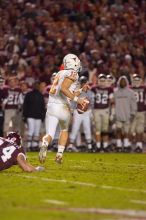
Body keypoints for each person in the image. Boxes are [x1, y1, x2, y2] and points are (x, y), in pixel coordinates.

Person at [39, 53, 88, 164]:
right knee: (64, 130)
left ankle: (45, 144)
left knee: (49, 134)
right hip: (63, 107)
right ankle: (59, 154)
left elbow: (68, 90)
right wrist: (78, 100)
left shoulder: (59, 73)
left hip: (51, 106)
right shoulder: (73, 73)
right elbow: (64, 89)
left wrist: (81, 90)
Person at [68, 76, 94, 152]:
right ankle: (70, 145)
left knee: (87, 128)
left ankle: (89, 146)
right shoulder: (78, 91)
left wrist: (89, 109)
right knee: (75, 128)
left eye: (85, 82)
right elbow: (72, 102)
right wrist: (72, 113)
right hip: (77, 112)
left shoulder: (90, 92)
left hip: (87, 112)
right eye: (82, 83)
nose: (83, 84)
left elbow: (92, 103)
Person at [113, 76, 137, 152]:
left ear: (127, 82)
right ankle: (119, 145)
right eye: (121, 81)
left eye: (124, 81)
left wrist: (133, 113)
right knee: (118, 130)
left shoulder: (131, 92)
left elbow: (133, 104)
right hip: (118, 115)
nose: (122, 82)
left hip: (128, 115)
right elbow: (112, 104)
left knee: (127, 131)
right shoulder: (115, 92)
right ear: (118, 82)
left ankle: (126, 145)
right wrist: (113, 114)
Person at [23, 81, 46, 151]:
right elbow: (25, 106)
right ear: (33, 86)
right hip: (30, 116)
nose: (36, 86)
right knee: (31, 130)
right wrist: (25, 116)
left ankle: (34, 146)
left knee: (36, 131)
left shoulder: (40, 95)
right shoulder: (29, 94)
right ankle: (29, 146)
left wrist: (42, 116)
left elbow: (43, 107)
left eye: (37, 85)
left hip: (38, 116)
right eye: (35, 85)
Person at [130, 74, 146, 152]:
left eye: (138, 80)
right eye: (135, 80)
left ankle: (139, 146)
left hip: (141, 111)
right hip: (132, 112)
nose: (136, 82)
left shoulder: (144, 88)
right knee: (131, 130)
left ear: (141, 81)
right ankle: (129, 145)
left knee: (139, 130)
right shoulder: (129, 88)